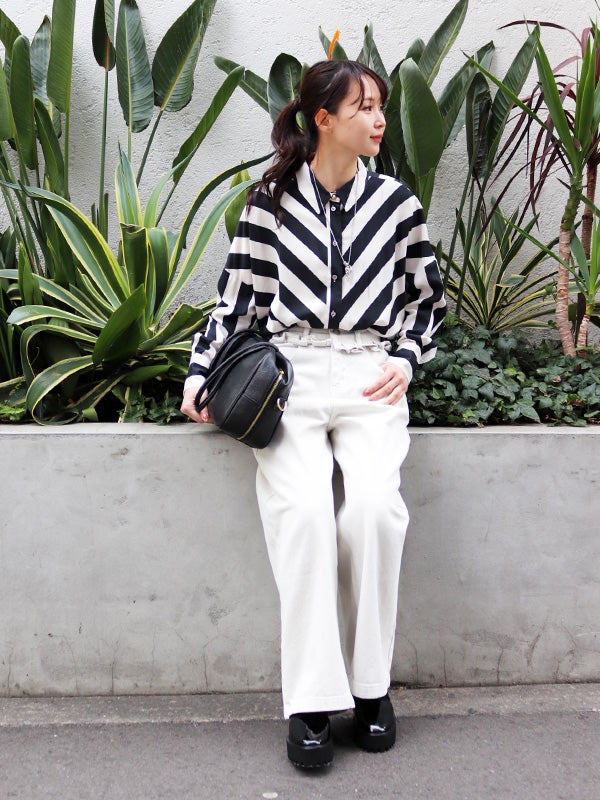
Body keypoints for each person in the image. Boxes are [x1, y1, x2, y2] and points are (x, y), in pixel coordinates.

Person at [181, 59, 446, 768]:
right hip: (289, 372)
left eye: (381, 106)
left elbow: (426, 299)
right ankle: (310, 701)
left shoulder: (396, 204)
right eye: (365, 107)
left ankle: (370, 689)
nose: (380, 120)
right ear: (323, 118)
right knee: (301, 517)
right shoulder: (268, 202)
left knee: (374, 514)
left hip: (369, 372)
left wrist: (405, 360)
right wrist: (200, 372)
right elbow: (235, 301)